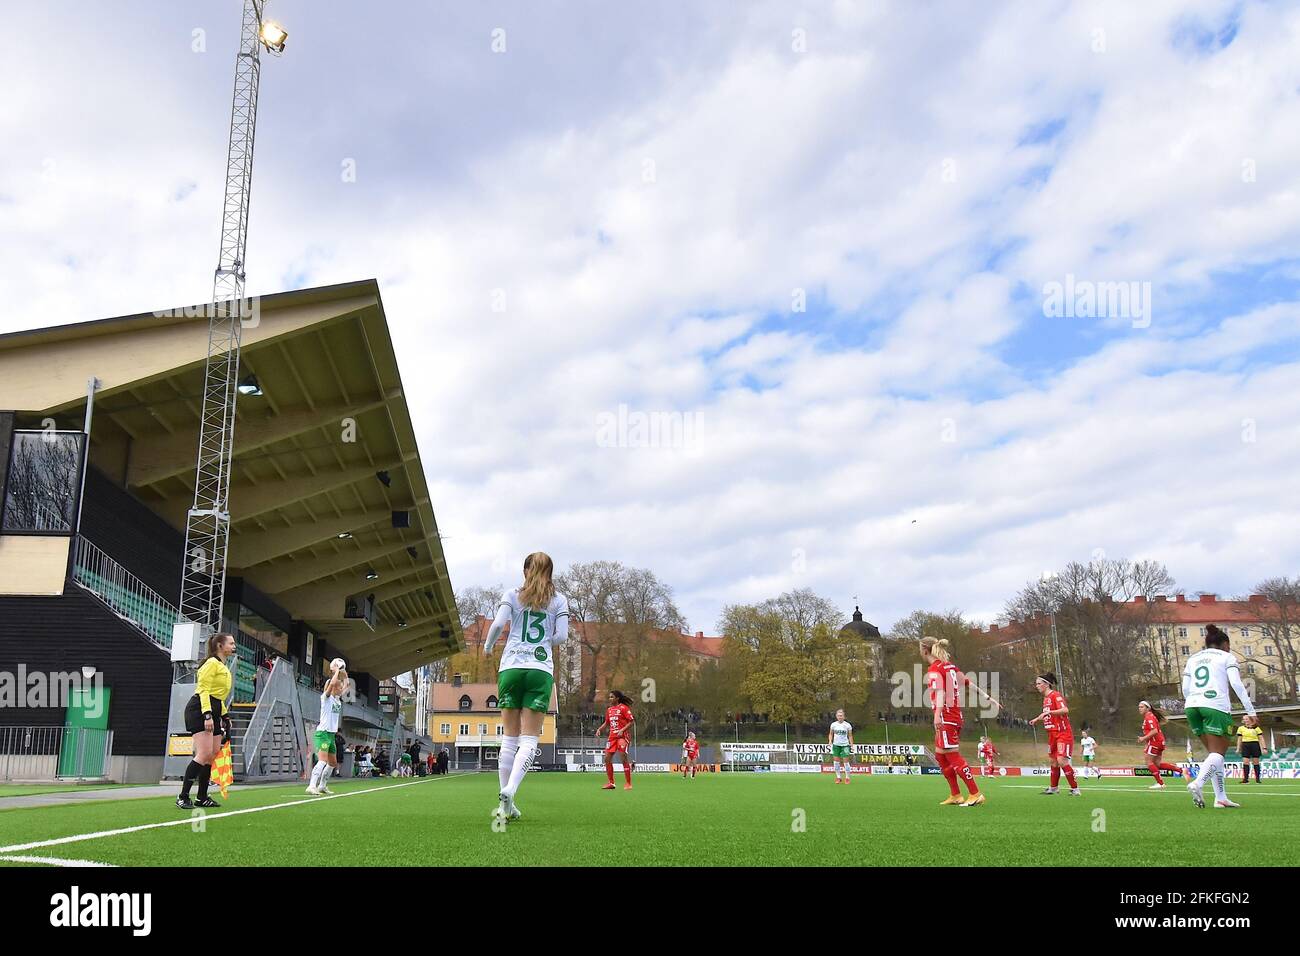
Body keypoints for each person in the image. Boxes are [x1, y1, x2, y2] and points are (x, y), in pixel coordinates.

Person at [483, 551, 570, 822]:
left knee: (509, 737)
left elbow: (498, 624)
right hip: (540, 670)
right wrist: (543, 644)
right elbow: (562, 636)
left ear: (524, 572)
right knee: (529, 738)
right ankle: (511, 790)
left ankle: (505, 800)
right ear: (550, 573)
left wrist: (488, 647)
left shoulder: (512, 595)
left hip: (510, 667)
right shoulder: (559, 600)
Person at [921, 636, 1000, 807]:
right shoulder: (950, 667)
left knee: (953, 756)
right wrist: (988, 698)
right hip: (954, 717)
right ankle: (956, 794)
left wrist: (937, 715)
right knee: (941, 756)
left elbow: (940, 692)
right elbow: (968, 683)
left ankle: (975, 793)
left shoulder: (934, 669)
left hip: (946, 717)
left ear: (924, 650)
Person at [1184, 625, 1257, 808]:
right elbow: (1237, 684)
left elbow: (1185, 688)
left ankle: (1221, 798)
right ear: (1225, 644)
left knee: (1214, 755)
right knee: (1218, 752)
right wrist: (1251, 711)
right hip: (1215, 706)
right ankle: (1198, 783)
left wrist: (1194, 701)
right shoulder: (1227, 657)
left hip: (1192, 707)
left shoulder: (1193, 659)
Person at [177, 632, 236, 810]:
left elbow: (218, 696)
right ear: (220, 646)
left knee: (213, 753)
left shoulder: (223, 666)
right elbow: (203, 690)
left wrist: (224, 716)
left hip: (215, 707)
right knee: (203, 753)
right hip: (200, 709)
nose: (234, 646)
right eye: (231, 643)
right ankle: (183, 796)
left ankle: (202, 797)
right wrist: (207, 715)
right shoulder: (211, 664)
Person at [1029, 673, 1080, 796]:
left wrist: (1049, 713)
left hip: (1062, 733)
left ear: (1047, 684)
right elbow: (1048, 715)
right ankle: (1054, 788)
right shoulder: (1046, 699)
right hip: (1052, 734)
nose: (1037, 686)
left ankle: (1075, 789)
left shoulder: (1055, 695)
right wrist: (1037, 719)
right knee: (1053, 761)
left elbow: (1065, 710)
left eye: (1039, 683)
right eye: (1036, 684)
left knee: (1061, 760)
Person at [307, 660, 347, 795]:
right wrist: (336, 672)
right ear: (333, 687)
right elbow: (332, 683)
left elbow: (346, 686)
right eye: (339, 686)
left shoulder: (337, 701)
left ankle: (322, 785)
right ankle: (312, 785)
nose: (341, 688)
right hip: (323, 733)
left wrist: (344, 673)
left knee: (333, 763)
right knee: (323, 761)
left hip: (331, 735)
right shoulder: (326, 697)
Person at [595, 690, 635, 791]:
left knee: (623, 758)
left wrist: (622, 730)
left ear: (617, 698)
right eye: (609, 697)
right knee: (607, 759)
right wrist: (599, 729)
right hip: (612, 737)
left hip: (622, 737)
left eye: (612, 697)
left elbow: (631, 722)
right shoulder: (609, 710)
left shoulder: (624, 708)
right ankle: (611, 783)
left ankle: (628, 783)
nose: (610, 699)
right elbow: (606, 723)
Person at [1137, 701, 1182, 789]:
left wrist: (1143, 738)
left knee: (1148, 762)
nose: (1139, 708)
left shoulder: (1149, 717)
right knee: (1157, 764)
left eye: (1142, 707)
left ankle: (1161, 784)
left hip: (1155, 743)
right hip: (1159, 742)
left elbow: (1154, 731)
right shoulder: (1150, 716)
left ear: (1148, 708)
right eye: (1139, 707)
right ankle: (1181, 770)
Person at [1236, 715, 1266, 784]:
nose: (1245, 720)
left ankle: (1257, 779)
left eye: (1247, 719)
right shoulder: (1241, 728)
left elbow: (1261, 738)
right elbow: (1239, 739)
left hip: (1254, 745)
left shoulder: (1256, 728)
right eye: (1244, 719)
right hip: (1245, 745)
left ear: (1250, 719)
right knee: (1245, 762)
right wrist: (1238, 748)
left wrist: (1264, 748)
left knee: (1256, 762)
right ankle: (1245, 779)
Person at [828, 709, 854, 784]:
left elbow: (850, 735)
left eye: (841, 716)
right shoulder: (833, 725)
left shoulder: (847, 725)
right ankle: (838, 777)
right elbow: (831, 734)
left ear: (844, 716)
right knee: (836, 762)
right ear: (836, 716)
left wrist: (851, 745)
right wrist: (830, 741)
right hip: (836, 745)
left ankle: (847, 778)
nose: (840, 717)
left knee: (846, 762)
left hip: (845, 745)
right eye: (838, 715)